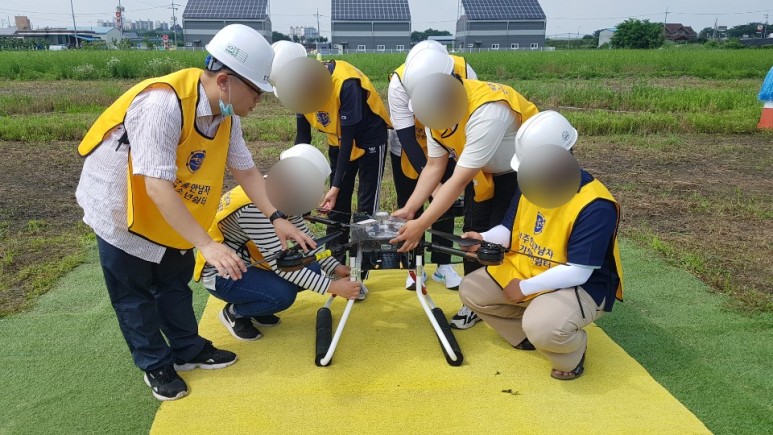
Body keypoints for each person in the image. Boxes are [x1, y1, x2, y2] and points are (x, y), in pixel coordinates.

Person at [75, 24, 314, 402]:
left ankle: (188, 349)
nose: (260, 101)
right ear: (224, 81)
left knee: (173, 281)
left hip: (172, 207)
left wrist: (276, 217)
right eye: (256, 91)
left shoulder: (225, 114)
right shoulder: (162, 104)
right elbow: (154, 186)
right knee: (134, 292)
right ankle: (155, 363)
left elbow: (247, 170)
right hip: (120, 206)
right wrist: (207, 244)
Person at [458, 111, 624, 380]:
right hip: (530, 270)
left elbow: (579, 271)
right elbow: (508, 230)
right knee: (472, 290)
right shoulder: (532, 182)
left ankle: (572, 350)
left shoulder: (595, 204)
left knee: (545, 326)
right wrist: (484, 238)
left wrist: (523, 289)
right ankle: (527, 334)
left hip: (579, 286)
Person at [390, 48, 539, 329]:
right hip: (484, 172)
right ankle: (475, 302)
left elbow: (457, 179)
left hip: (522, 171)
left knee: (505, 238)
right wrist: (411, 209)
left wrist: (422, 223)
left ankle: (517, 302)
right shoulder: (437, 112)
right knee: (474, 234)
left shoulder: (489, 109)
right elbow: (435, 166)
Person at [193, 144, 362, 341]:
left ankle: (257, 306)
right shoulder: (253, 209)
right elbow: (280, 266)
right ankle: (235, 312)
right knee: (282, 295)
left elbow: (306, 241)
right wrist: (334, 287)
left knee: (314, 268)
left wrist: (336, 268)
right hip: (222, 274)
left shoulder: (283, 191)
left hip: (253, 262)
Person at [388, 41, 477, 291]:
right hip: (412, 148)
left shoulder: (464, 70)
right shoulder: (399, 83)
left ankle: (443, 264)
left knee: (444, 206)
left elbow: (470, 116)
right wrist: (434, 184)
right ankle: (413, 267)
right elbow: (406, 136)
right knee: (410, 206)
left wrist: (444, 184)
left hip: (448, 141)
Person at [291, 53, 392, 265]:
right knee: (336, 209)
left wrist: (335, 185)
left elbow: (349, 139)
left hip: (369, 136)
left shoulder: (347, 84)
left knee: (366, 208)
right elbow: (302, 139)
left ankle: (364, 267)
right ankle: (334, 264)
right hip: (337, 138)